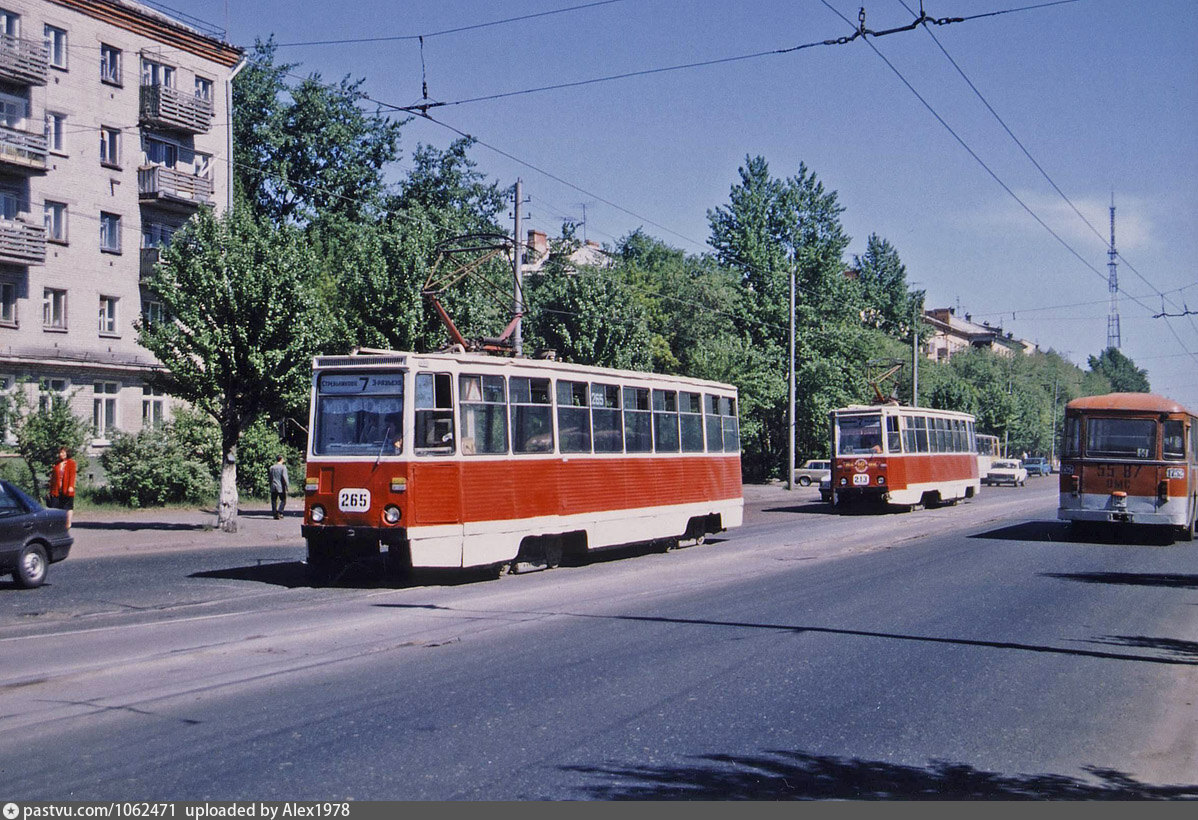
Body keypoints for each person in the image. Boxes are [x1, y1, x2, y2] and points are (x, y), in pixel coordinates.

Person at [47, 446, 77, 528]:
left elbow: (72, 475)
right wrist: (51, 488)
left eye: (63, 452)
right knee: (55, 507)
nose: (61, 454)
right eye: (60, 453)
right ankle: (57, 524)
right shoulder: (57, 464)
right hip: (57, 489)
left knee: (68, 506)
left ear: (67, 453)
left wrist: (71, 486)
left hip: (67, 488)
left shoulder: (71, 463)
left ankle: (68, 523)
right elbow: (53, 477)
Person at [269, 455, 290, 519]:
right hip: (280, 486)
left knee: (273, 500)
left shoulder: (272, 467)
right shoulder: (283, 467)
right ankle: (280, 512)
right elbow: (285, 477)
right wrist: (287, 486)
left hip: (273, 486)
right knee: (283, 500)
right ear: (281, 459)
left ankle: (274, 514)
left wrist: (270, 485)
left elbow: (270, 477)